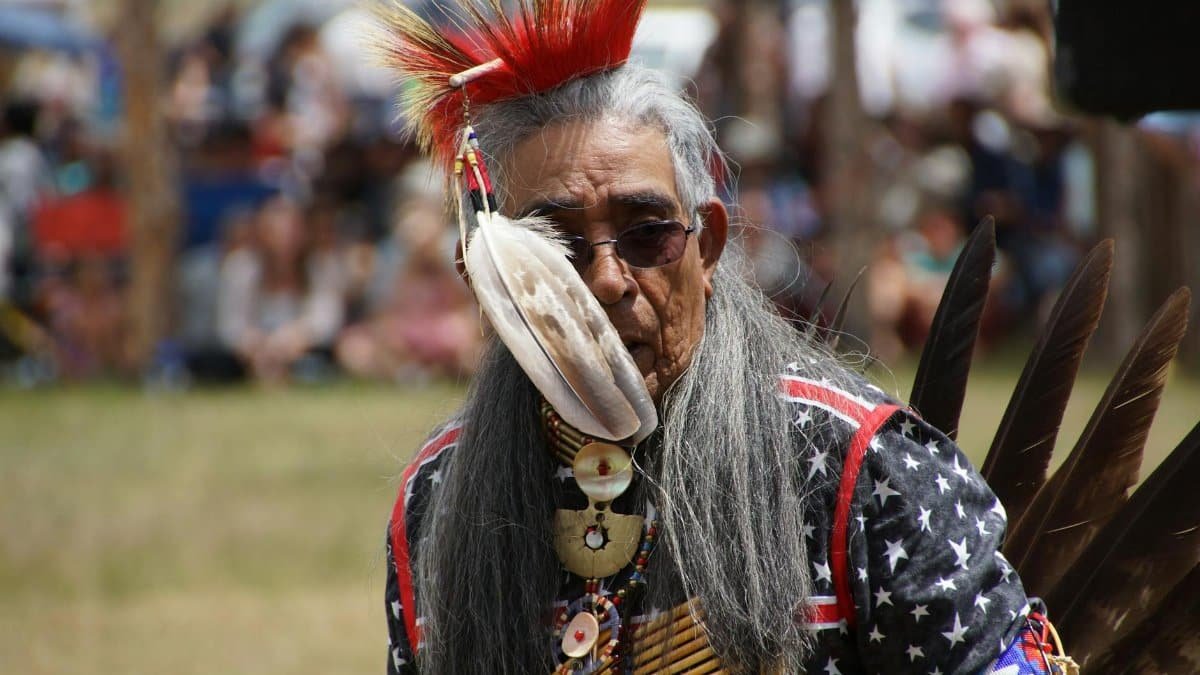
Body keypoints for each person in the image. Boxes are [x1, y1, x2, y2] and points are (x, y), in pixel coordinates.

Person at [380, 2, 1056, 673]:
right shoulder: (436, 498)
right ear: (490, 279)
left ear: (706, 247)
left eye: (648, 233)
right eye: (555, 243)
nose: (608, 279)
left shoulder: (859, 467)